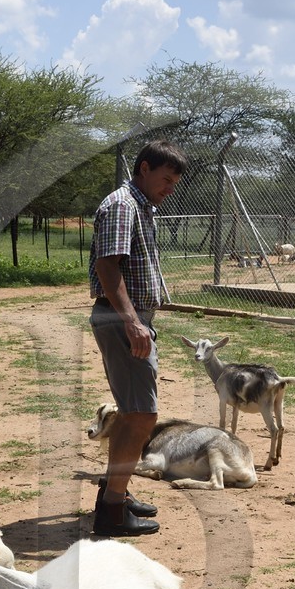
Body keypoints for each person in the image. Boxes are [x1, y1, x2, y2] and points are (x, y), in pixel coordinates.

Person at [88, 138, 187, 537]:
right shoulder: (121, 206)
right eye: (165, 179)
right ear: (144, 169)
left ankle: (117, 495)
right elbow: (108, 266)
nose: (169, 189)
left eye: (174, 183)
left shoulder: (140, 206)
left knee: (131, 414)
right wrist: (131, 321)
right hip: (121, 320)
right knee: (143, 416)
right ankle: (111, 511)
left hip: (130, 319)